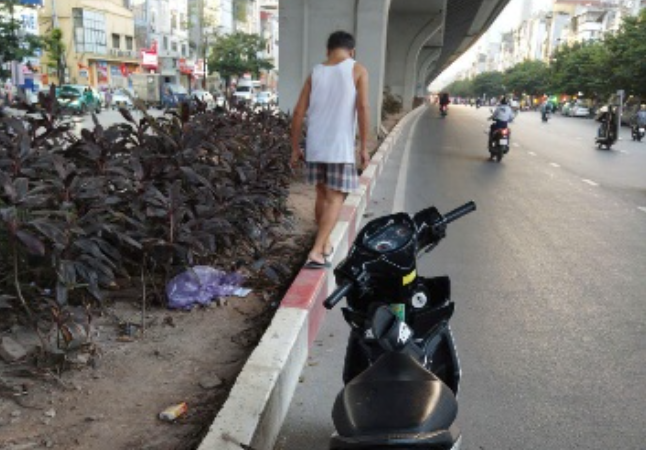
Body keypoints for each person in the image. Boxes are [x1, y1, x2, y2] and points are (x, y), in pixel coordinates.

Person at [290, 30, 370, 269]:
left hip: (315, 144)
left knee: (322, 195)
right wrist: (363, 146)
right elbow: (363, 108)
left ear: (328, 50)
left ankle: (323, 243)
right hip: (339, 146)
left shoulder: (316, 72)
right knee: (335, 198)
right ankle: (316, 250)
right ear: (351, 51)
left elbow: (297, 112)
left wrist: (295, 147)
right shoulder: (358, 69)